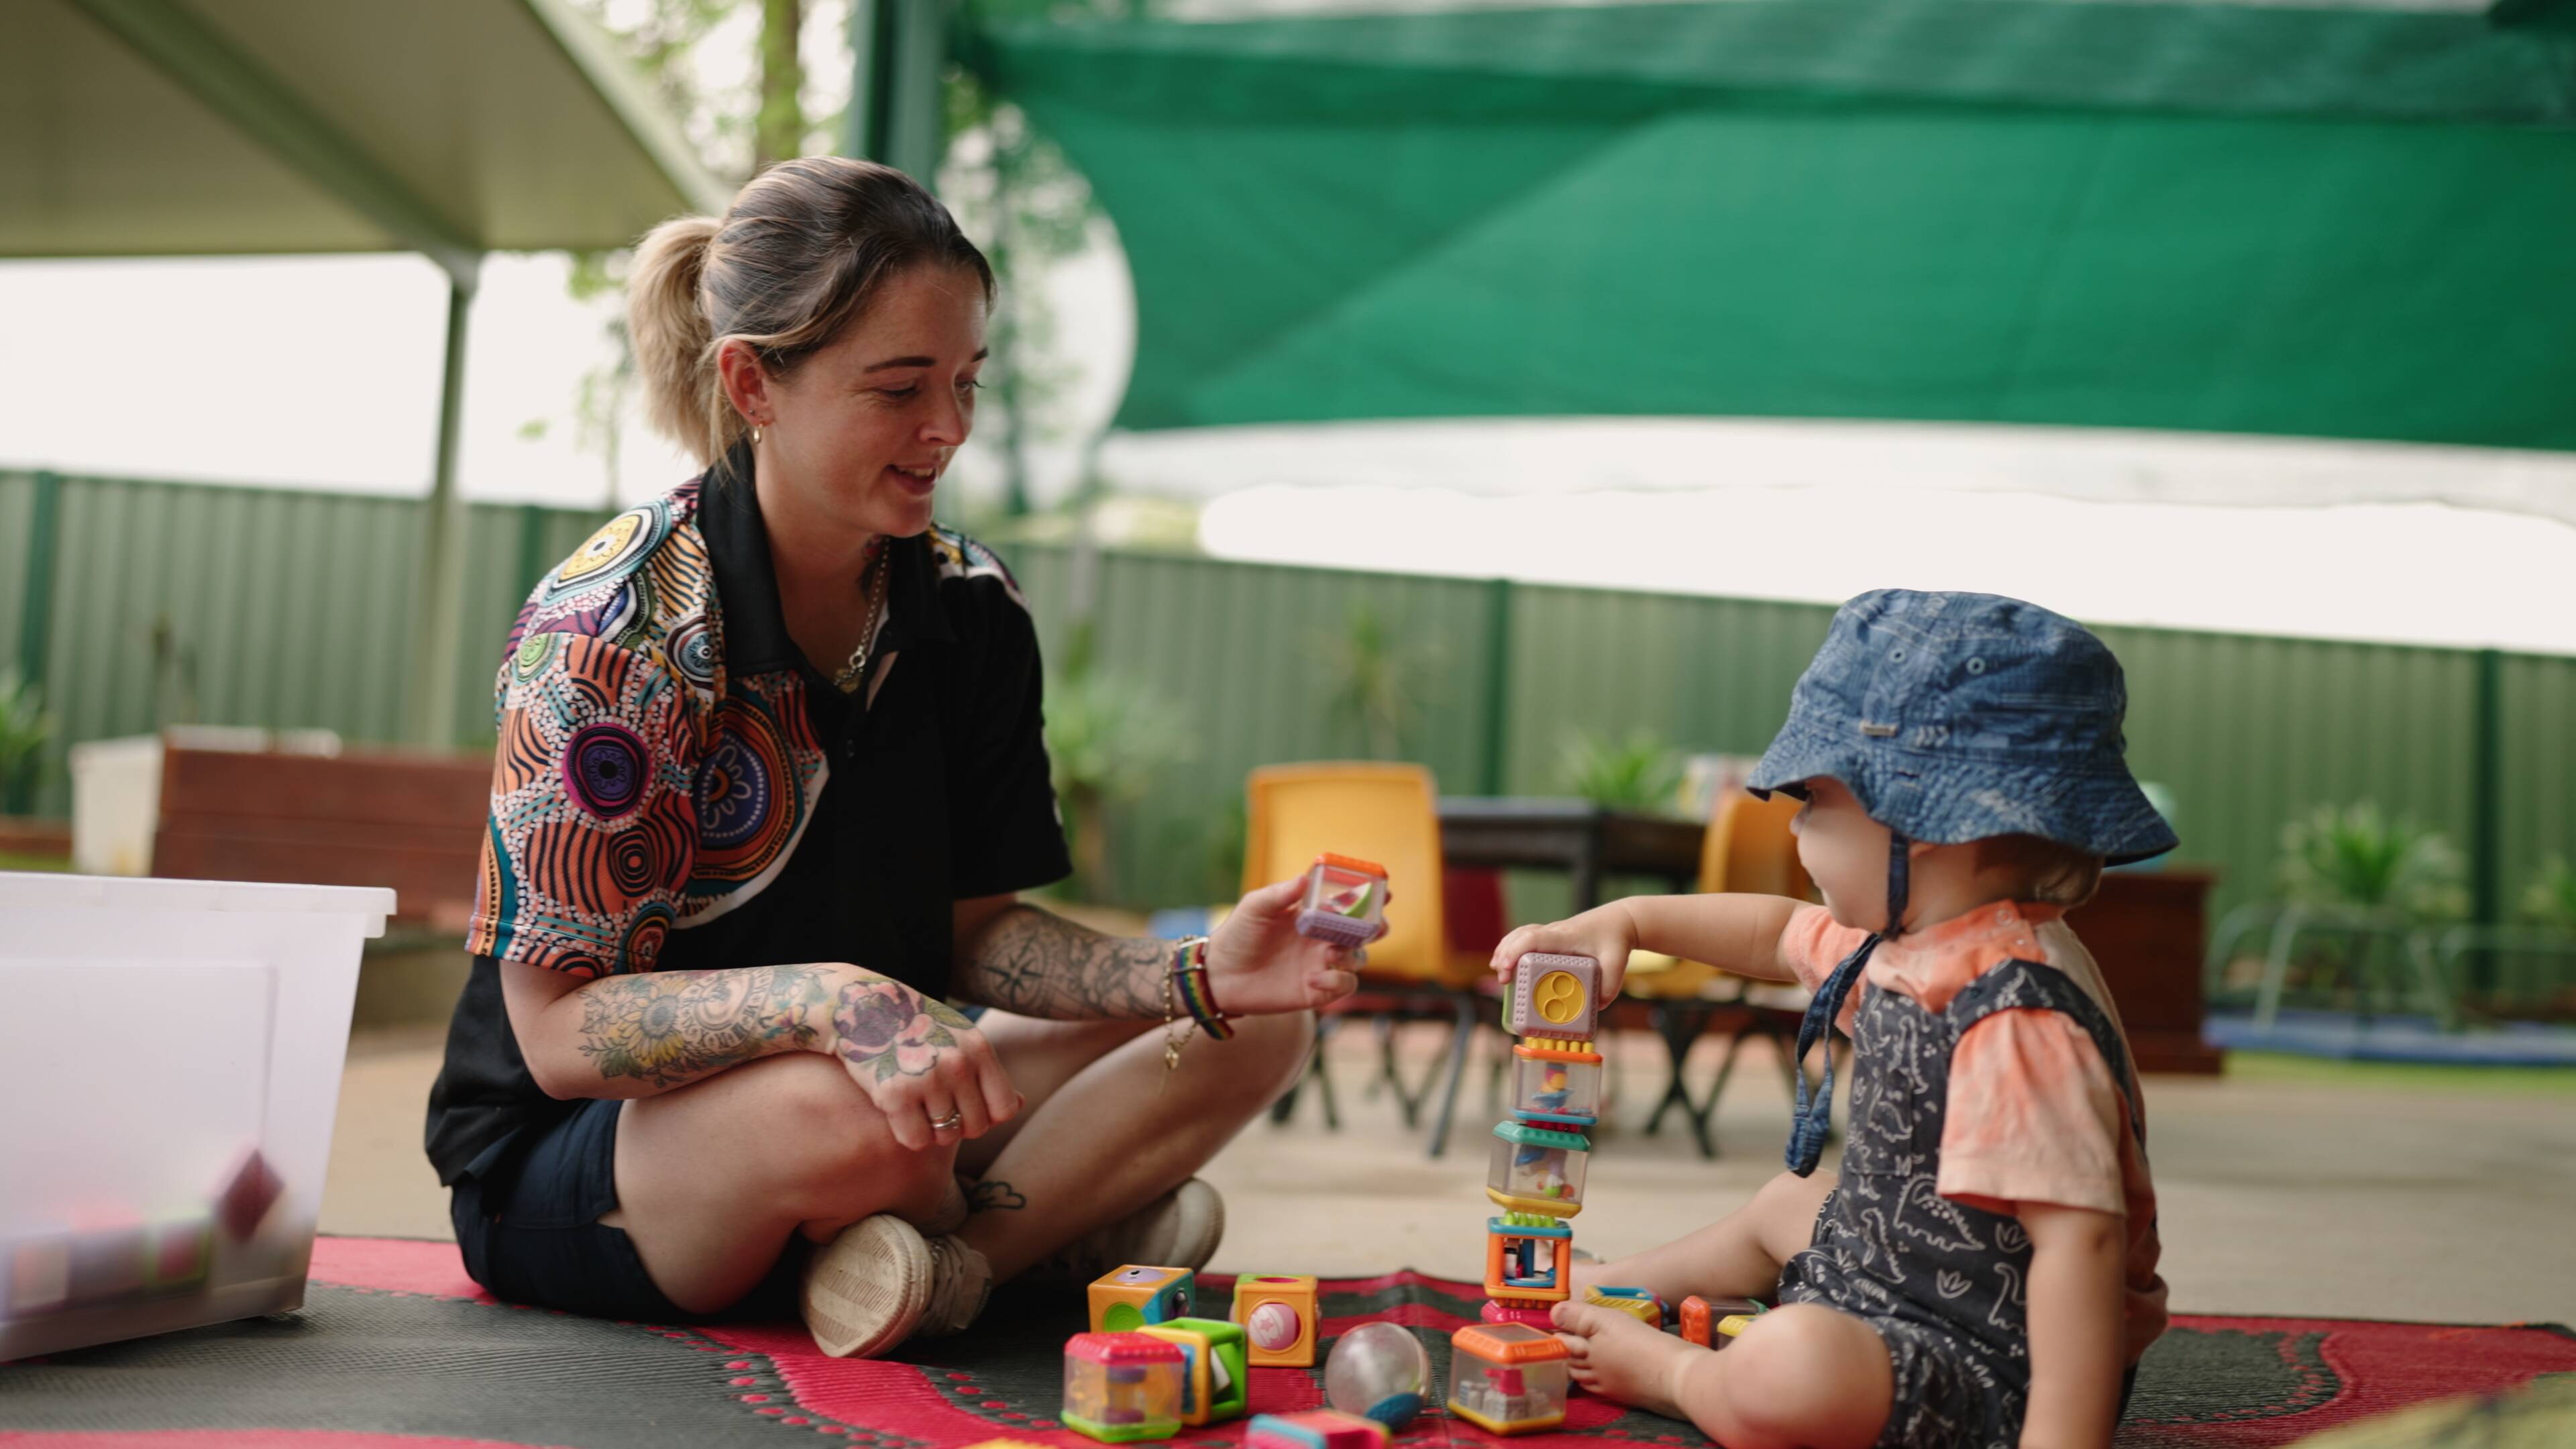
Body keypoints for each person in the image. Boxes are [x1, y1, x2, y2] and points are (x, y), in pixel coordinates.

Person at [423, 156, 1359, 1360]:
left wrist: (1192, 972)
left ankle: (953, 1268)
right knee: (853, 1114)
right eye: (900, 389)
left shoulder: (971, 612)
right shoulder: (613, 632)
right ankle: (1050, 1231)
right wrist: (832, 1003)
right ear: (753, 383)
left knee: (1256, 1024)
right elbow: (558, 1040)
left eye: (966, 384)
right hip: (586, 1157)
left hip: (886, 1081)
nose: (947, 431)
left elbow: (978, 934)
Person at [1491, 590, 2176, 1449]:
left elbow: (2083, 1251)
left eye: (1813, 801)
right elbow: (1775, 933)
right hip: (1905, 1270)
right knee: (1792, 1202)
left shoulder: (2014, 1016)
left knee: (1792, 1358)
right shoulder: (1915, 942)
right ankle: (1610, 1288)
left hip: (1993, 1365)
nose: (1799, 830)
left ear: (1926, 822)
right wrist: (1627, 920)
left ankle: (1677, 1374)